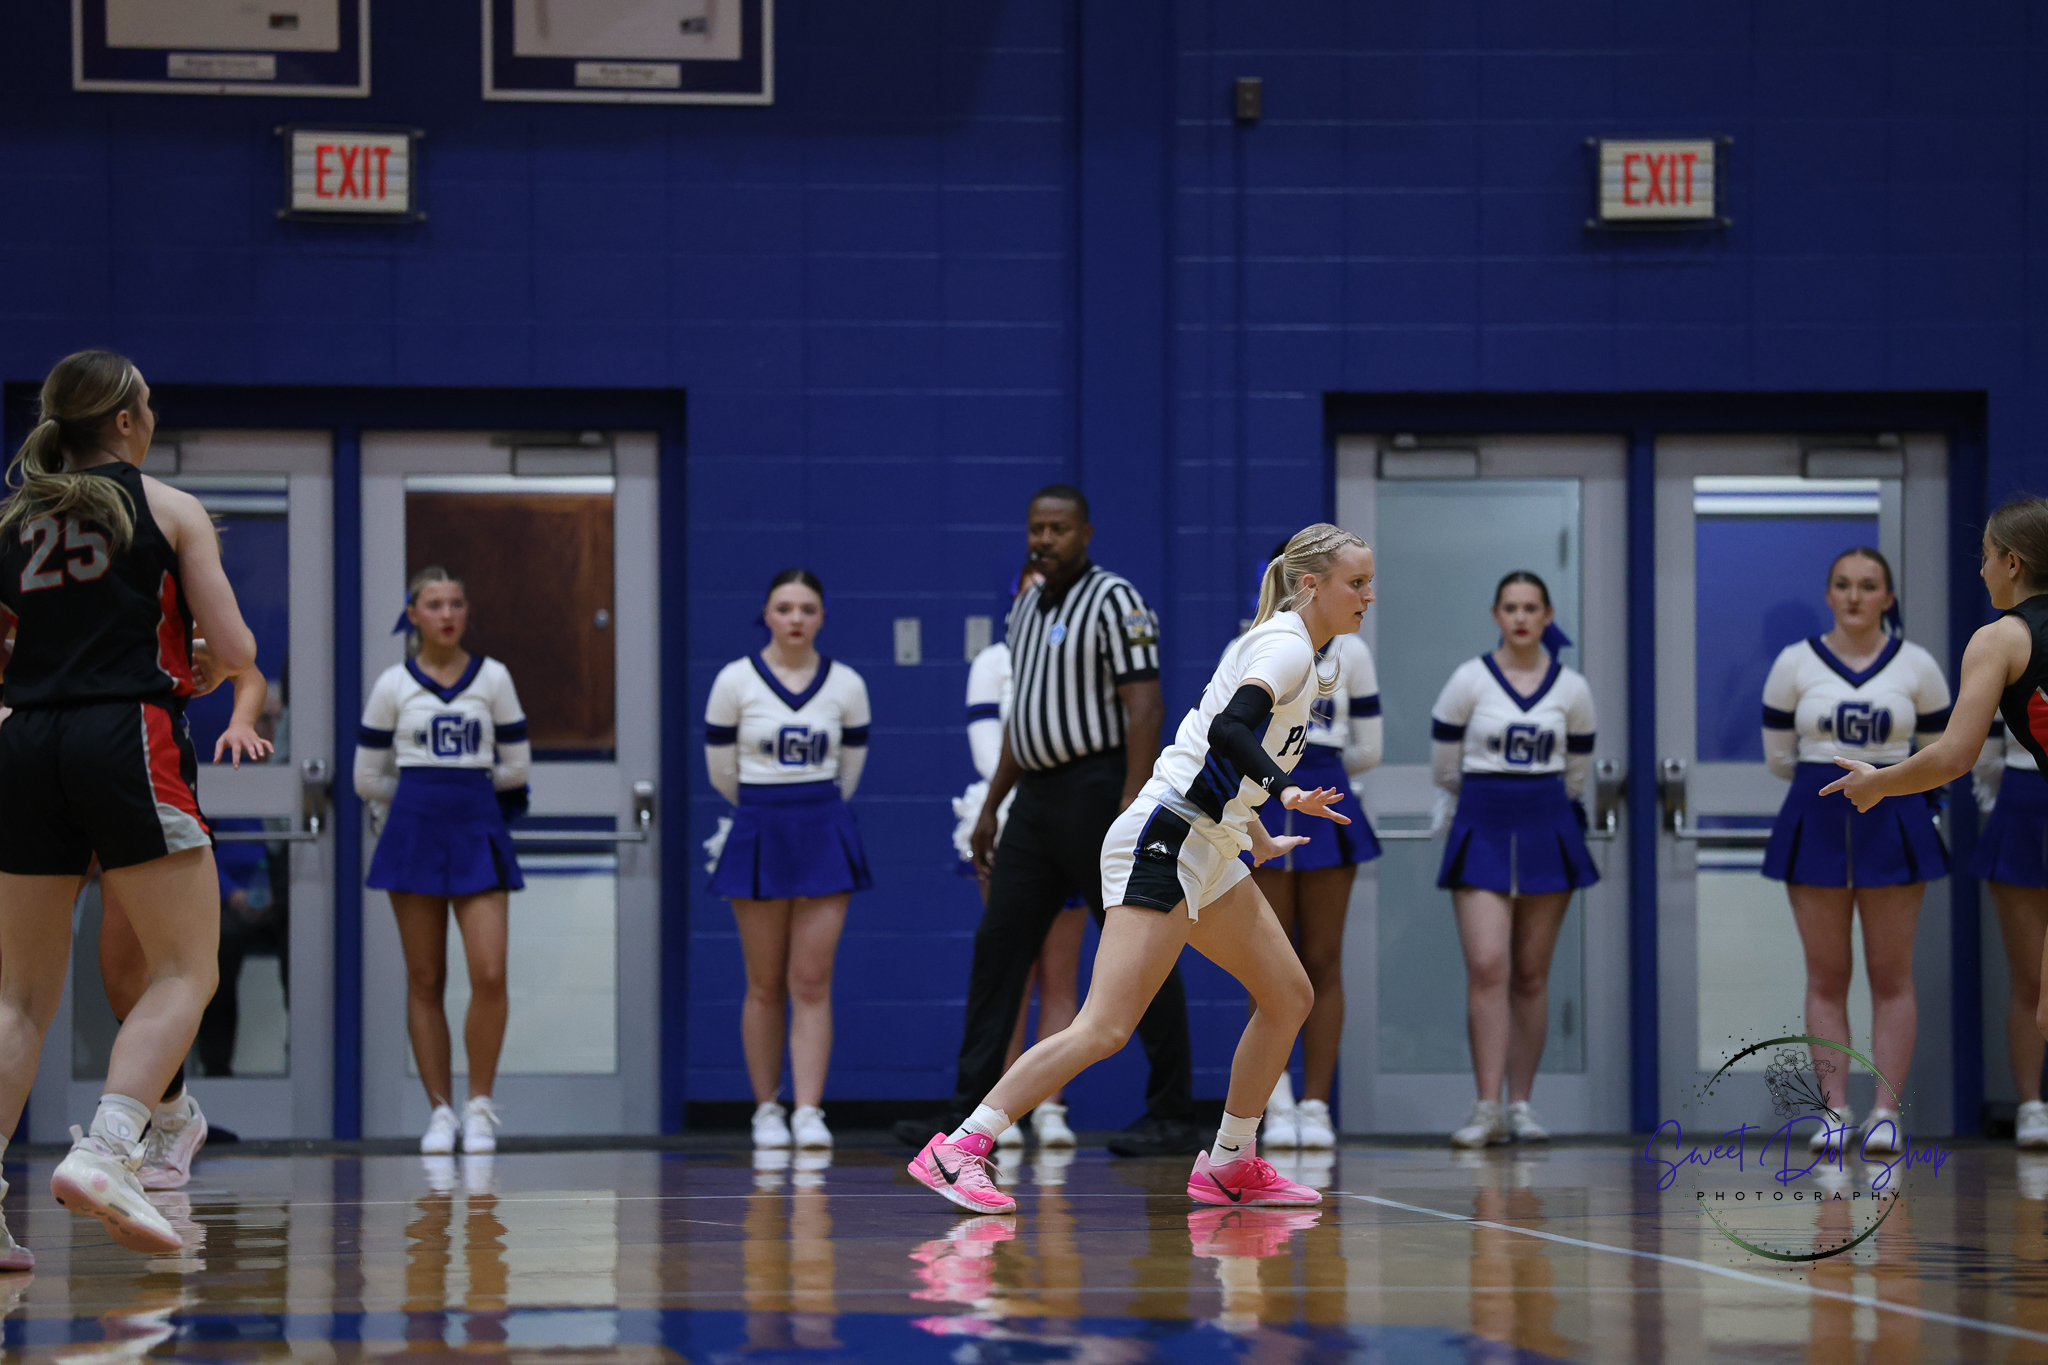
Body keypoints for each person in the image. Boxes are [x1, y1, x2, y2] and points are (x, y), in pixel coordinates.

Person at [906, 523, 1372, 1215]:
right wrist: (1286, 792)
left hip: (1209, 842)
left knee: (1288, 995)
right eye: (1356, 582)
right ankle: (959, 1148)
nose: (1368, 595)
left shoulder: (1292, 646)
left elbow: (1209, 752)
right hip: (1166, 836)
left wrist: (1255, 832)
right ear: (1312, 584)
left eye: (1368, 582)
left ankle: (1230, 1163)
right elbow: (1230, 729)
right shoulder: (1285, 646)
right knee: (1106, 1027)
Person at [0, 349, 269, 1257]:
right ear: (124, 420)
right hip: (126, 735)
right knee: (186, 970)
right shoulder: (168, 506)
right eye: (147, 404)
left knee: (18, 997)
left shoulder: (11, 521)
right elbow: (236, 647)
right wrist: (208, 661)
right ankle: (112, 1147)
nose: (152, 416)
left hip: (25, 742)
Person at [895, 485, 1195, 1159]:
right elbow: (1023, 718)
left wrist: (1132, 805)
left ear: (1085, 533)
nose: (1045, 539)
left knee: (1138, 948)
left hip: (1099, 789)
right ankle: (965, 1113)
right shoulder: (1026, 607)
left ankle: (1173, 1113)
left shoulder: (1116, 600)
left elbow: (1146, 707)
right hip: (1032, 798)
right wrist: (992, 805)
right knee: (998, 948)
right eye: (1037, 528)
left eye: (1059, 528)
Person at [1762, 548, 1948, 1157]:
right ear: (1828, 595)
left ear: (1888, 598)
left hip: (1894, 818)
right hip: (1815, 815)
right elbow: (1778, 756)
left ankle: (1886, 1113)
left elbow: (1940, 753)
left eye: (1868, 586)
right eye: (1842, 584)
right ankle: (1835, 1110)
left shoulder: (1917, 665)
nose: (1854, 596)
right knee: (1826, 975)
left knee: (1891, 974)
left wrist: (1897, 789)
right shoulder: (1794, 662)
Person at [356, 566, 531, 1157]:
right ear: (413, 614)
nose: (448, 614)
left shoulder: (494, 677)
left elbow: (517, 767)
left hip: (478, 833)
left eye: (457, 603)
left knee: (490, 972)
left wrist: (466, 789)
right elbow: (365, 777)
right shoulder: (392, 685)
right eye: (435, 604)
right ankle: (440, 1111)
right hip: (414, 836)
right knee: (426, 977)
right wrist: (418, 796)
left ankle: (479, 1107)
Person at [706, 568, 871, 1152]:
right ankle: (766, 1110)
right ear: (766, 614)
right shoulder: (734, 680)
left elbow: (849, 772)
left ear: (822, 616)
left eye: (806, 609)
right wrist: (766, 809)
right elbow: (721, 773)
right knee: (762, 982)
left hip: (824, 829)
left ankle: (807, 1110)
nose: (795, 619)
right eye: (784, 608)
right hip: (758, 826)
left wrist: (811, 809)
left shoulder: (847, 684)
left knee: (812, 980)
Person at [1432, 571, 1599, 1150]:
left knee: (1531, 973)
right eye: (1511, 607)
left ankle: (1522, 1104)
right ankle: (1486, 1108)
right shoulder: (1469, 679)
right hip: (1482, 822)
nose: (1522, 617)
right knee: (1487, 966)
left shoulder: (1572, 688)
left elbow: (1577, 774)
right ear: (1496, 615)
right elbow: (1445, 767)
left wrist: (1542, 803)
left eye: (1531, 608)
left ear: (1547, 616)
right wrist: (1486, 799)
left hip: (1547, 824)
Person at [1246, 541, 1382, 1152]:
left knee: (1324, 959)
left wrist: (1318, 771)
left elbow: (1370, 748)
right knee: (1268, 965)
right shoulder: (1254, 643)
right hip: (1264, 796)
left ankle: (1317, 1106)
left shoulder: (1353, 651)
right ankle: (1272, 1104)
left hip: (1327, 798)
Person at [954, 562, 1082, 1150]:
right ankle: (1000, 1112)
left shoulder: (1085, 655)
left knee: (1060, 973)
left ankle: (1050, 1107)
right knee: (1012, 972)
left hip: (1075, 820)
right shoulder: (993, 662)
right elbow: (990, 755)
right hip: (1015, 821)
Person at [1972, 716, 2048, 1149]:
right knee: (2031, 979)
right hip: (2023, 805)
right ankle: (2031, 1106)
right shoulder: (2009, 670)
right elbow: (1981, 758)